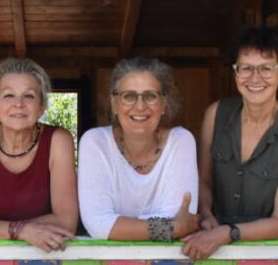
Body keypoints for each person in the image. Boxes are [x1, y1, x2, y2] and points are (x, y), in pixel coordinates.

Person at [181, 26, 278, 259]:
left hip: (268, 251)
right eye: (246, 69)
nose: (255, 78)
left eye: (266, 69)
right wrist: (207, 214)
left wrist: (227, 233)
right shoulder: (216, 114)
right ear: (235, 74)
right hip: (208, 243)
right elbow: (203, 180)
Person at [0, 58, 78, 252]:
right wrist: (20, 231)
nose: (19, 104)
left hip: (43, 257)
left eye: (29, 96)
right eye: (9, 95)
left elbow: (66, 221)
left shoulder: (58, 141)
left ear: (42, 106)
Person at [77, 57, 199, 241]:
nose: (140, 106)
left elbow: (184, 216)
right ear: (115, 104)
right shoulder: (95, 142)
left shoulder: (181, 141)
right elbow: (99, 226)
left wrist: (119, 225)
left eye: (150, 96)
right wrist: (173, 228)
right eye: (129, 96)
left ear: (164, 104)